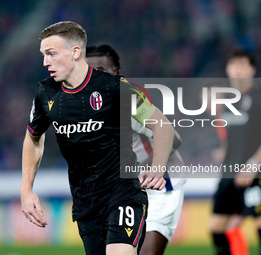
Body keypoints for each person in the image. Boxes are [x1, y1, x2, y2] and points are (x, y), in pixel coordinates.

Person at [20, 21, 174, 255]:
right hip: (86, 202)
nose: (45, 62)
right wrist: (26, 189)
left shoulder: (115, 88)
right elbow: (33, 138)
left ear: (75, 52)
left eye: (51, 54)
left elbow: (161, 124)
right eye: (43, 55)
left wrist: (158, 166)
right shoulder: (45, 93)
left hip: (123, 191)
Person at [86, 44, 186, 255]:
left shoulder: (127, 100)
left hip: (161, 181)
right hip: (127, 187)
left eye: (101, 71)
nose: (94, 76)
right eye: (90, 71)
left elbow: (173, 138)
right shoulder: (86, 106)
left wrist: (138, 170)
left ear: (115, 72)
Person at [208, 49, 261, 255]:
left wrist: (253, 164)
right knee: (216, 228)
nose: (238, 70)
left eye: (243, 65)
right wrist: (223, 151)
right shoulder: (226, 103)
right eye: (234, 65)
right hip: (229, 172)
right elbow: (231, 137)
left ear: (252, 69)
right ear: (228, 69)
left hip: (256, 172)